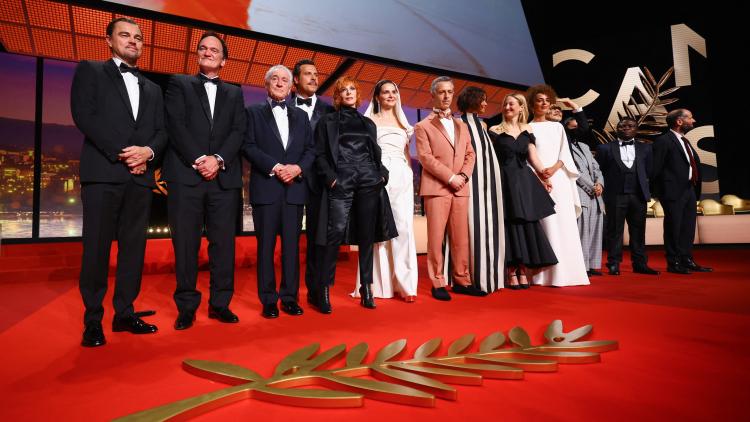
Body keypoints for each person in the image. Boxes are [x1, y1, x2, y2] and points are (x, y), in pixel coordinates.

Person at [71, 17, 167, 347]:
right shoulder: (90, 70)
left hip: (140, 179)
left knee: (133, 250)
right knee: (96, 249)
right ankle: (92, 320)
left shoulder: (153, 89)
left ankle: (124, 313)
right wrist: (125, 154)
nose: (133, 41)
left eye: (138, 37)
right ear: (109, 40)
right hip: (103, 173)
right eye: (125, 35)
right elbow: (84, 115)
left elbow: (162, 131)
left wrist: (148, 153)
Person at [163, 32, 246, 330]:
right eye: (203, 48)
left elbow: (238, 131)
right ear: (197, 54)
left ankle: (220, 304)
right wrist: (200, 159)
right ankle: (186, 307)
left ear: (224, 60)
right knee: (186, 244)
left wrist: (218, 160)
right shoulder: (179, 83)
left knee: (223, 245)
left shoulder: (235, 92)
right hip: (187, 176)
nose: (208, 52)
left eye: (214, 50)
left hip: (224, 179)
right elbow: (175, 125)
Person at [314, 76, 398, 310]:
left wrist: (382, 174)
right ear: (338, 96)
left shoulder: (368, 123)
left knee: (366, 236)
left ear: (358, 94)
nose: (348, 93)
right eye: (343, 90)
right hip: (341, 179)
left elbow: (375, 154)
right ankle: (324, 289)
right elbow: (319, 154)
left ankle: (367, 288)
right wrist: (331, 178)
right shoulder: (327, 121)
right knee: (334, 234)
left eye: (352, 89)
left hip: (369, 180)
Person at [243, 65, 315, 318]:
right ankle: (268, 300)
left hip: (294, 190)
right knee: (265, 248)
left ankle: (289, 298)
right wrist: (275, 167)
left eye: (285, 79)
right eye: (275, 79)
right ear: (266, 84)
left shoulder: (301, 116)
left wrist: (297, 168)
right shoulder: (252, 113)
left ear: (291, 86)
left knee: (292, 248)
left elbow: (311, 149)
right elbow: (248, 146)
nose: (280, 83)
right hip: (266, 188)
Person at [415, 76, 485, 300]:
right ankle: (437, 283)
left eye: (450, 92)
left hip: (461, 187)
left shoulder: (462, 125)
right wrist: (451, 177)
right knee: (436, 239)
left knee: (460, 239)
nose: (446, 96)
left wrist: (463, 176)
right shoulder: (422, 126)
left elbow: (470, 154)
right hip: (437, 188)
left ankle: (462, 280)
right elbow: (425, 158)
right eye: (442, 92)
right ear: (433, 94)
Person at [352, 79, 418, 302]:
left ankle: (406, 285)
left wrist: (409, 174)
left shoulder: (403, 123)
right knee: (377, 227)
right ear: (377, 97)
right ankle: (377, 285)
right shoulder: (368, 121)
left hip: (402, 176)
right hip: (377, 174)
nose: (391, 95)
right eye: (386, 92)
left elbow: (407, 154)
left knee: (404, 227)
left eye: (394, 92)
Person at [488, 93, 557, 289]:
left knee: (526, 222)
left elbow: (533, 157)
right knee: (509, 223)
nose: (507, 107)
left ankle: (523, 269)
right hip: (504, 181)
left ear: (521, 108)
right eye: (505, 104)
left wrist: (544, 175)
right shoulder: (494, 130)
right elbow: (490, 159)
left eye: (511, 104)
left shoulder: (528, 129)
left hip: (524, 180)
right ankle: (511, 270)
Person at [526, 85, 589, 287]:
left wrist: (553, 169)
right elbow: (527, 156)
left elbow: (565, 154)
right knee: (546, 225)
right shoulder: (527, 128)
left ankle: (569, 273)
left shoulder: (558, 127)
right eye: (540, 100)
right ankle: (545, 274)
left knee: (563, 223)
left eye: (547, 100)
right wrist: (541, 174)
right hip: (538, 179)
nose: (544, 103)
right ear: (532, 104)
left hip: (559, 179)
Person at [289, 59, 336, 311]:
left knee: (321, 240)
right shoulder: (283, 107)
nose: (314, 78)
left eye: (316, 74)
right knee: (290, 239)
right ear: (296, 80)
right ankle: (289, 295)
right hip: (291, 180)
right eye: (308, 74)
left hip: (321, 181)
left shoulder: (330, 111)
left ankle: (320, 291)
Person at [456, 86, 505, 293]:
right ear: (472, 100)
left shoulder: (483, 125)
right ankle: (471, 276)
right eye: (482, 100)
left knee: (488, 223)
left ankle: (490, 275)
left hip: (489, 180)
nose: (485, 103)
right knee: (471, 224)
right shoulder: (459, 123)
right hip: (470, 179)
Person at [596, 118, 659, 276]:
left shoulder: (646, 148)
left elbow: (650, 171)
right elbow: (599, 171)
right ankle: (613, 263)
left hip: (638, 196)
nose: (626, 128)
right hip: (615, 196)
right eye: (622, 126)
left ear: (636, 129)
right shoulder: (605, 148)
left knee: (638, 231)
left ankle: (640, 264)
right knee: (614, 231)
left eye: (630, 126)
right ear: (616, 129)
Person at [652, 109, 712, 274]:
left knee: (688, 227)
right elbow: (655, 169)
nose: (693, 121)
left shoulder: (685, 141)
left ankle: (687, 259)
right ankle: (674, 262)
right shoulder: (663, 141)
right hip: (672, 192)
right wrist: (661, 192)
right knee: (674, 227)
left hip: (689, 189)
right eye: (690, 118)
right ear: (679, 121)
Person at [561, 102, 605, 277]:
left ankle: (592, 264)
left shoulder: (584, 146)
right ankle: (582, 266)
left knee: (595, 230)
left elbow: (596, 167)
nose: (577, 129)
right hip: (582, 192)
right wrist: (591, 186)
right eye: (573, 127)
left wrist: (600, 184)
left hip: (596, 195)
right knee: (582, 231)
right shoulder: (564, 146)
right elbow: (574, 170)